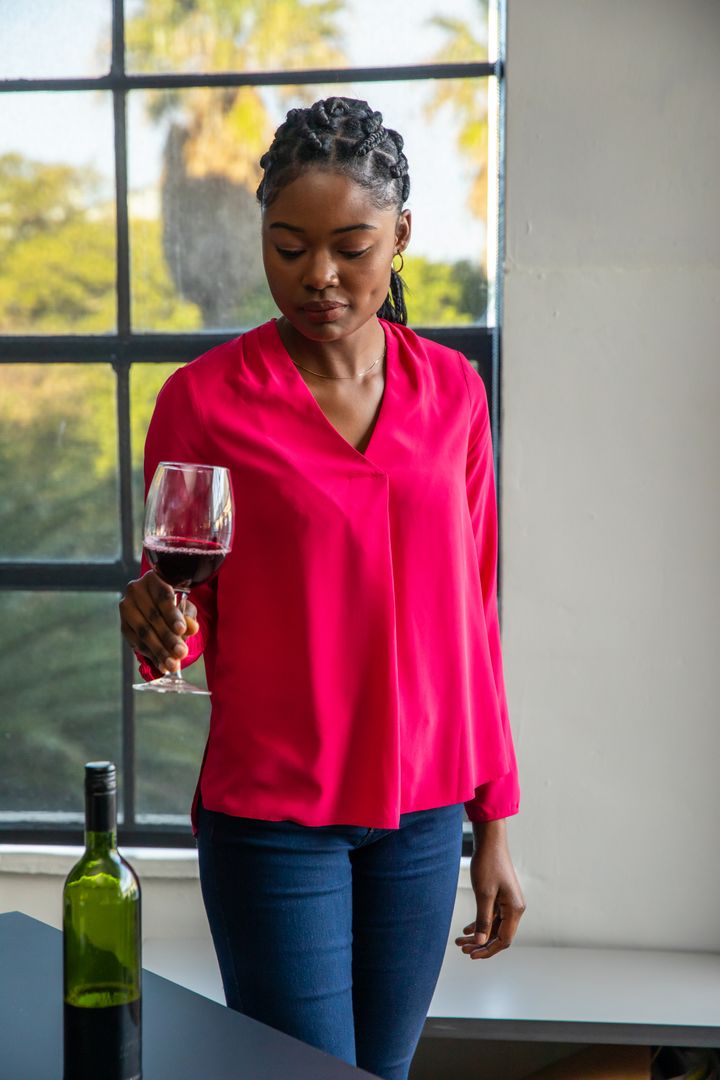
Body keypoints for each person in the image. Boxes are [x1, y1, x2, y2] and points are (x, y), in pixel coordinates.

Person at [120, 96, 526, 1080]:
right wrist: (154, 619)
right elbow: (186, 606)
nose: (320, 277)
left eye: (351, 245)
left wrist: (495, 823)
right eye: (289, 246)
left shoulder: (454, 393)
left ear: (402, 236)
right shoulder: (204, 401)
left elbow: (472, 616)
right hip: (273, 820)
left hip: (424, 815)